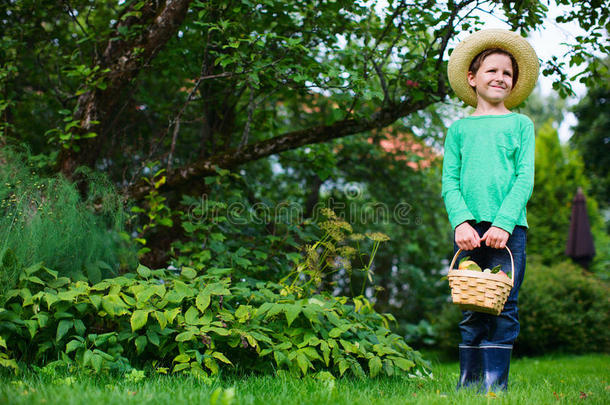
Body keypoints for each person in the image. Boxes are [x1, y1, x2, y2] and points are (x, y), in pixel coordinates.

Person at [442, 29, 539, 392]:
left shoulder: (520, 125)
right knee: (471, 303)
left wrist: (503, 223)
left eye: (507, 74)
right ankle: (468, 382)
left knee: (504, 304)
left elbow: (524, 179)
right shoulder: (459, 131)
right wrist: (460, 222)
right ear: (472, 77)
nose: (500, 78)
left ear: (513, 83)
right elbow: (449, 181)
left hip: (508, 230)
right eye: (492, 71)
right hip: (468, 233)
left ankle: (495, 385)